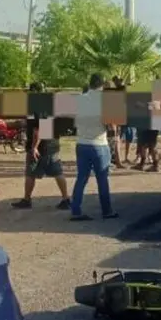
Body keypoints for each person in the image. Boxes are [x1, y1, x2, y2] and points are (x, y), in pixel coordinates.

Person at [12, 82, 71, 210]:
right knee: (57, 172)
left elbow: (38, 129)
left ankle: (27, 200)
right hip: (52, 144)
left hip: (40, 146)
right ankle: (66, 198)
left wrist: (34, 147)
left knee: (31, 173)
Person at [70, 73, 117, 221]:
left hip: (81, 143)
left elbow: (74, 122)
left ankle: (76, 210)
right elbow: (111, 126)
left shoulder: (79, 99)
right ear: (103, 85)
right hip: (99, 144)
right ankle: (106, 211)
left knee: (81, 178)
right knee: (102, 179)